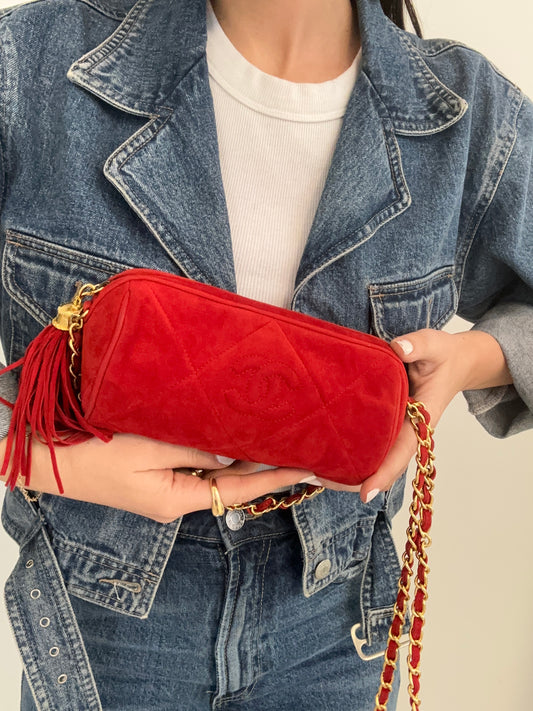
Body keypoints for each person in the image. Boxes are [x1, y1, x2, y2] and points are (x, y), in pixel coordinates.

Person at [0, 0, 531, 709]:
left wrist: (471, 359)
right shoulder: (32, 65)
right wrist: (37, 455)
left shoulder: (464, 114)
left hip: (337, 630)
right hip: (106, 625)